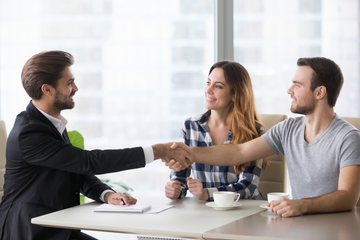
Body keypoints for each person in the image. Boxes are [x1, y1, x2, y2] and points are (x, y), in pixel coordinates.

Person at [0, 50, 192, 240]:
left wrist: (106, 194)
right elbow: (88, 162)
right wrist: (157, 151)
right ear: (47, 89)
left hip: (58, 227)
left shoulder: (50, 122)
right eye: (69, 82)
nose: (75, 88)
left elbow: (75, 170)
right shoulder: (29, 132)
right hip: (29, 231)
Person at [167, 57, 360, 217]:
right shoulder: (288, 129)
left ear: (320, 92)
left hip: (336, 227)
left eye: (297, 85)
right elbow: (239, 151)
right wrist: (190, 152)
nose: (289, 90)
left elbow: (348, 197)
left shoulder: (348, 138)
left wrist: (301, 205)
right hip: (299, 223)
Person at [165, 61, 267, 201]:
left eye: (218, 86)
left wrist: (208, 193)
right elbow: (180, 175)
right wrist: (176, 188)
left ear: (235, 94)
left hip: (244, 209)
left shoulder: (254, 132)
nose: (208, 90)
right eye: (208, 82)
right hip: (206, 211)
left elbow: (247, 186)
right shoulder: (190, 127)